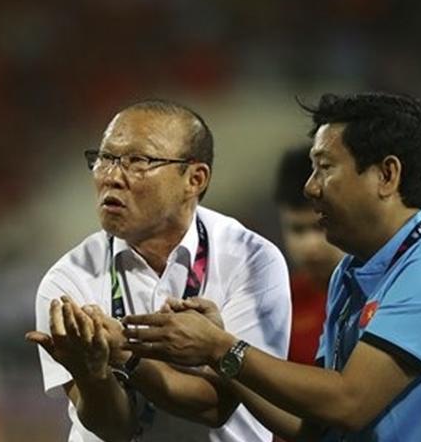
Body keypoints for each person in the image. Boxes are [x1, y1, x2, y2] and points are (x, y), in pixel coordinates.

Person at [121, 92, 421, 441]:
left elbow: (348, 403)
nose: (310, 187)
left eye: (325, 167)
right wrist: (217, 354)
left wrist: (222, 347)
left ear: (387, 175)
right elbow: (313, 426)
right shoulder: (350, 273)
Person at [26, 99, 291, 441]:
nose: (112, 177)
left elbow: (217, 406)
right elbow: (113, 428)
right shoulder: (68, 278)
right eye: (105, 158)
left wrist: (126, 355)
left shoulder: (251, 260)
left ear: (194, 179)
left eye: (138, 161)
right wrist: (93, 374)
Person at [274, 146, 343, 365]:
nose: (310, 245)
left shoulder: (386, 292)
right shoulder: (279, 302)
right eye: (297, 229)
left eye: (319, 227)